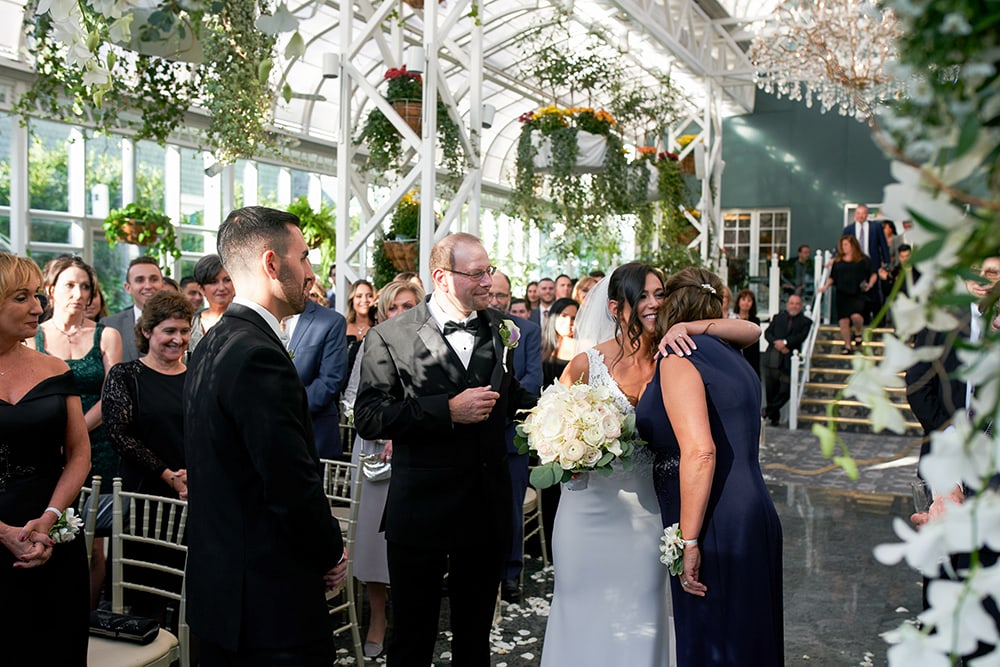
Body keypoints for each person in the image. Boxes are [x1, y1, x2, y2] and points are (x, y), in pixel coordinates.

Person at [541, 263, 761, 667]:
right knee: (579, 610)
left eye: (659, 293)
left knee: (642, 615)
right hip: (587, 513)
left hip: (647, 515)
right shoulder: (587, 364)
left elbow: (751, 332)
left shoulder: (675, 350)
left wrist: (692, 328)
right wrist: (569, 454)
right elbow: (547, 430)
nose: (654, 303)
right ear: (615, 307)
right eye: (641, 295)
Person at [354, 232, 537, 667]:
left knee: (475, 636)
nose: (488, 283)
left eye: (489, 271)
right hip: (422, 509)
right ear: (442, 277)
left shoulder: (500, 329)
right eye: (477, 274)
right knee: (412, 636)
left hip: (485, 506)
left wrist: (564, 408)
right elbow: (369, 416)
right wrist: (446, 411)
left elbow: (510, 397)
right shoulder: (389, 335)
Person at [184, 206, 347, 665]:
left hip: (220, 590)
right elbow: (289, 483)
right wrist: (330, 549)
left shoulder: (214, 341)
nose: (312, 274)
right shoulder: (258, 354)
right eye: (305, 258)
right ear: (272, 264)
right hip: (266, 601)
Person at [637, 266, 783, 666]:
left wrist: (690, 541)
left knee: (715, 643)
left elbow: (701, 452)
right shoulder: (731, 354)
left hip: (715, 516)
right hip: (753, 510)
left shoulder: (677, 355)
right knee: (750, 641)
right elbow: (752, 329)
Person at [0, 252, 92, 664]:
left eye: (38, 296)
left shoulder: (55, 368)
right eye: (22, 297)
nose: (39, 307)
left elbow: (78, 453)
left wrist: (52, 518)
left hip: (51, 536)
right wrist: (3, 532)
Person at [30, 255, 123, 605]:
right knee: (47, 530)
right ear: (51, 290)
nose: (79, 293)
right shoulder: (34, 336)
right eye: (70, 285)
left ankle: (86, 617)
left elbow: (111, 395)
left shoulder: (106, 334)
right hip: (49, 449)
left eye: (85, 286)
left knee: (94, 543)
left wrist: (77, 433)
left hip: (98, 448)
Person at [342, 279, 426, 659]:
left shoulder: (435, 346)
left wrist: (406, 431)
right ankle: (378, 617)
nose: (400, 313)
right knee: (373, 545)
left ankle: (411, 618)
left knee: (414, 544)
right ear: (382, 312)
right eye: (393, 307)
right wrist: (383, 428)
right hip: (375, 451)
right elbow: (352, 399)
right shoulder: (372, 342)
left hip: (419, 454)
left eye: (408, 305)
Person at [103, 290, 194, 497]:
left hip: (193, 489)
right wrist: (169, 475)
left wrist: (194, 474)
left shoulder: (199, 376)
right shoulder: (125, 376)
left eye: (184, 331)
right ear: (146, 331)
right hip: (142, 493)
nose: (178, 340)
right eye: (169, 331)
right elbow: (119, 436)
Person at [489, 271, 543, 604]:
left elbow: (532, 382)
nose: (495, 301)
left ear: (511, 297)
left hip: (511, 437)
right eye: (491, 294)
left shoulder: (529, 332)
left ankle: (509, 574)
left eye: (502, 296)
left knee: (510, 509)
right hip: (469, 437)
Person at [286, 282, 349, 459]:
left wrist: (285, 409)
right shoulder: (259, 320)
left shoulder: (330, 322)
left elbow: (331, 380)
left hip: (313, 437)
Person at [819, 235, 876, 354]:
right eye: (842, 245)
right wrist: (825, 287)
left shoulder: (863, 260)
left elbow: (873, 274)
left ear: (853, 245)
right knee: (843, 321)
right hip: (842, 293)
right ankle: (847, 346)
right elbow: (832, 278)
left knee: (856, 316)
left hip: (857, 293)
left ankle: (858, 332)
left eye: (846, 245)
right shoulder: (838, 261)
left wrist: (870, 285)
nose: (843, 247)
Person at [761, 294, 812, 427]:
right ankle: (774, 418)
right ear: (787, 304)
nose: (794, 306)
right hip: (773, 358)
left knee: (786, 391)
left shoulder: (806, 322)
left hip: (789, 362)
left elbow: (801, 337)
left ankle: (766, 411)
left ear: (800, 306)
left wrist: (785, 343)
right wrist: (777, 343)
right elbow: (768, 333)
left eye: (797, 303)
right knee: (771, 390)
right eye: (792, 303)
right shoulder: (778, 318)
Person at [103, 256, 165, 362]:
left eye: (154, 279)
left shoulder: (180, 323)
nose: (148, 286)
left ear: (162, 285)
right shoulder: (110, 325)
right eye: (140, 280)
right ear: (128, 287)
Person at [188, 254, 235, 354]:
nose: (221, 288)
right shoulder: (190, 323)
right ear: (201, 288)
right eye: (213, 282)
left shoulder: (246, 321)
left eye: (227, 280)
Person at [540, 297, 579, 387]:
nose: (569, 322)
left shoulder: (585, 347)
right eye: (564, 316)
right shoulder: (540, 346)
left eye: (574, 318)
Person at [843, 204, 891, 270]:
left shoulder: (876, 227)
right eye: (858, 213)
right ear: (855, 214)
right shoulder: (848, 229)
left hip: (872, 262)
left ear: (867, 214)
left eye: (863, 213)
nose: (860, 216)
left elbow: (883, 245)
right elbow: (843, 246)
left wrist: (887, 261)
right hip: (854, 263)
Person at [345, 278, 376, 376]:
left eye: (369, 296)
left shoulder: (379, 328)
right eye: (359, 296)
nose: (365, 300)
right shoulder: (342, 326)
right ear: (352, 300)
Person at [734, 288, 761, 378]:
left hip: (750, 356)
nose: (746, 303)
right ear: (738, 302)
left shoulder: (755, 320)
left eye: (749, 300)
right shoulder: (732, 318)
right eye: (743, 299)